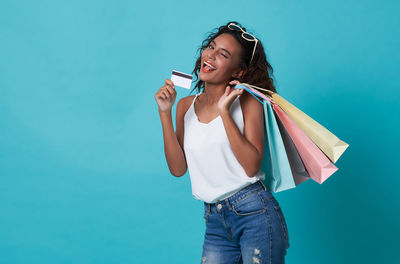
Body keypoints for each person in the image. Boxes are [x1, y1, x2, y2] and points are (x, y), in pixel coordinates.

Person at [154, 21, 290, 264]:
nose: (210, 55)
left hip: (255, 214)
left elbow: (250, 166)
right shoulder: (185, 107)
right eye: (211, 47)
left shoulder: (248, 103)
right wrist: (165, 112)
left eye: (222, 54)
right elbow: (178, 169)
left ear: (238, 72)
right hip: (214, 220)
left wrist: (225, 112)